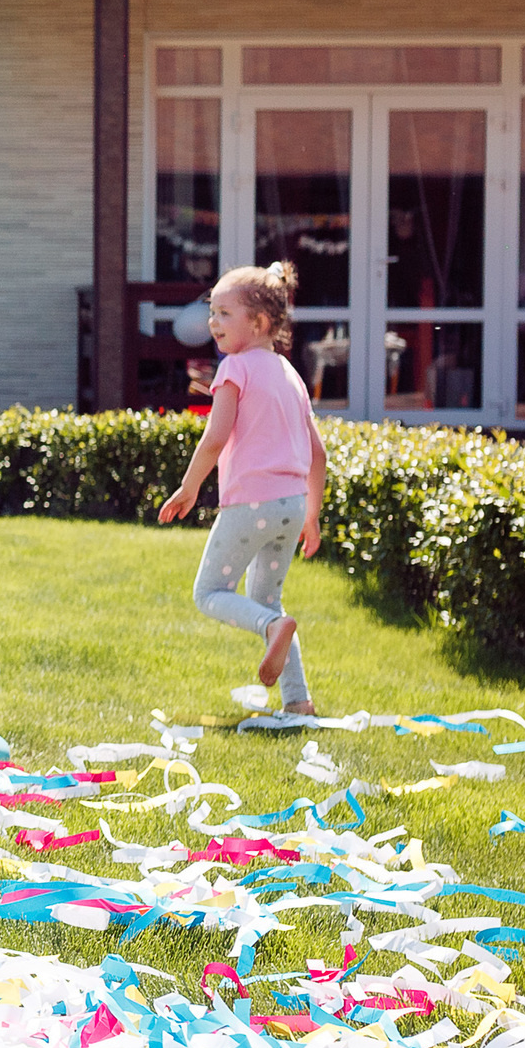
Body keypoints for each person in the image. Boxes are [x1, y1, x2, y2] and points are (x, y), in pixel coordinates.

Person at [156, 261, 327, 713]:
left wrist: (189, 487)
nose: (213, 322)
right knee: (267, 598)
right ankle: (298, 701)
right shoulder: (290, 374)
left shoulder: (234, 369)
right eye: (212, 312)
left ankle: (272, 629)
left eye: (224, 313)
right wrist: (311, 516)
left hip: (250, 505)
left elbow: (215, 437)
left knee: (210, 593)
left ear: (260, 322)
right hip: (291, 505)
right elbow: (318, 454)